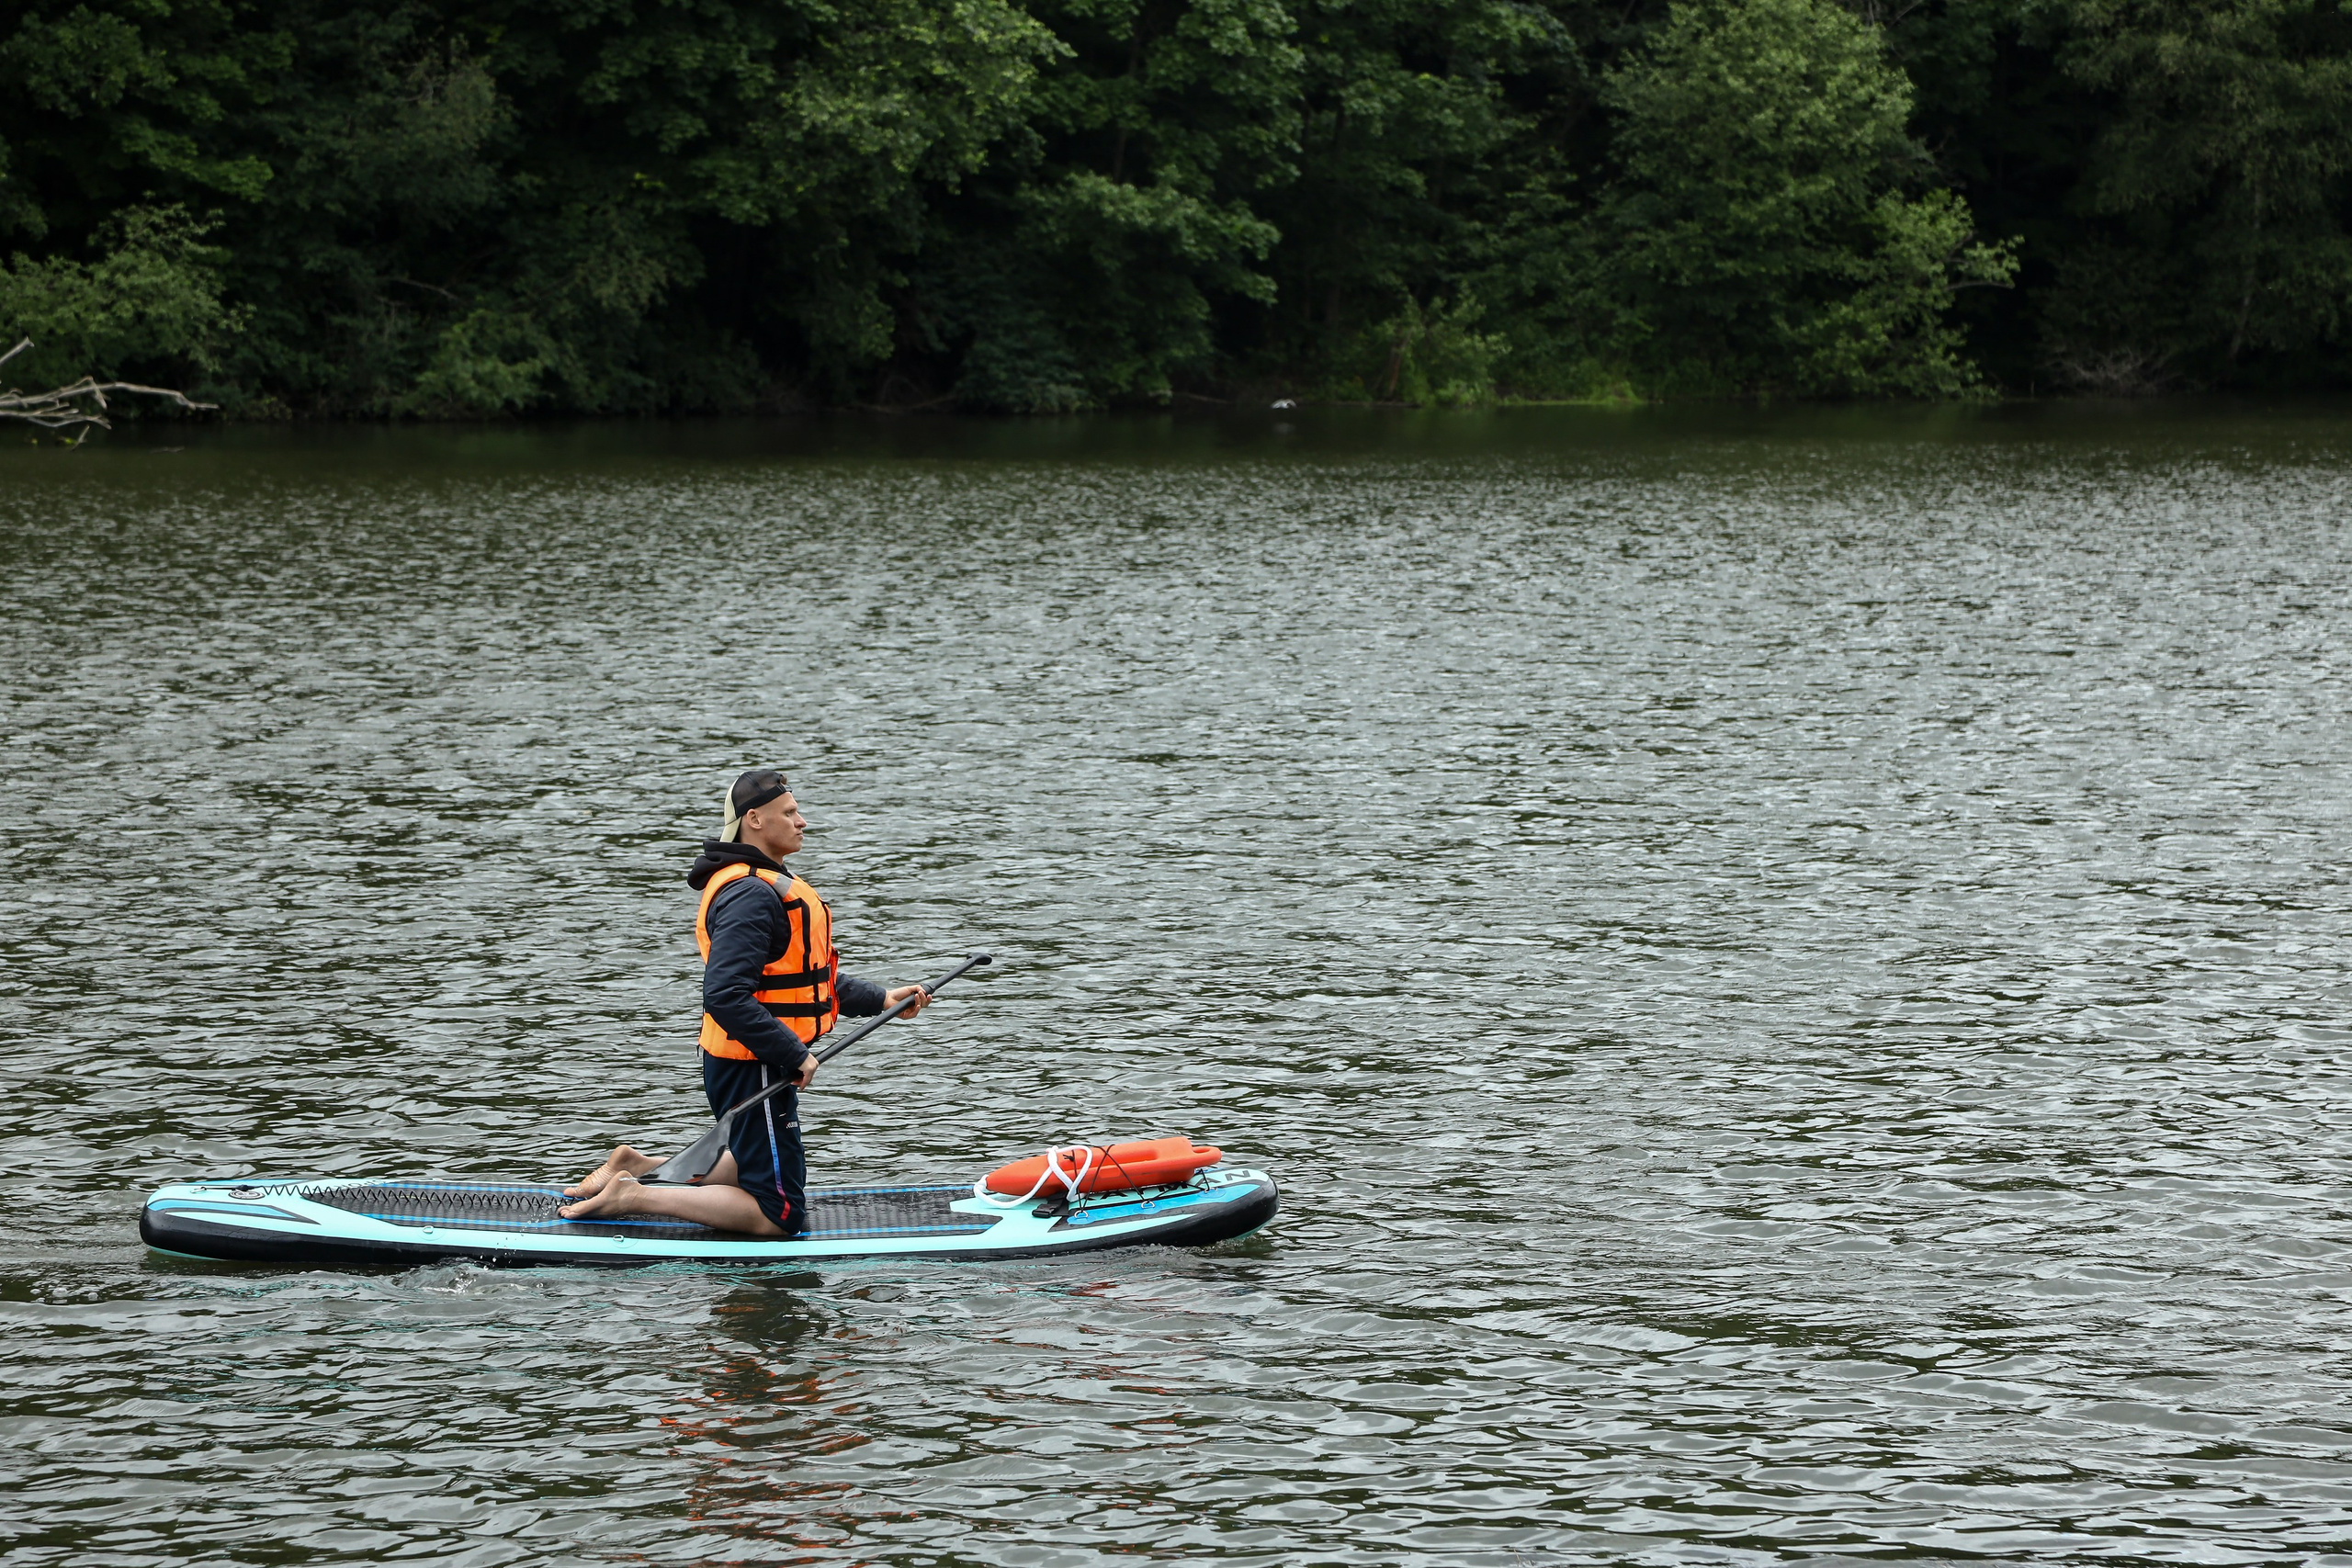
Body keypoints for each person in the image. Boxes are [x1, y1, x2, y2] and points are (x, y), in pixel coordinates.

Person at [560, 769, 931, 1235]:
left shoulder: (769, 883)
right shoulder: (750, 893)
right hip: (752, 1060)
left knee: (755, 1163)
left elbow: (804, 980)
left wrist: (880, 998)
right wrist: (791, 1052)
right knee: (780, 1215)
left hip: (754, 1056)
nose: (803, 821)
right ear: (754, 819)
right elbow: (725, 994)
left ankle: (635, 1165)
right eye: (790, 813)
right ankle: (635, 1193)